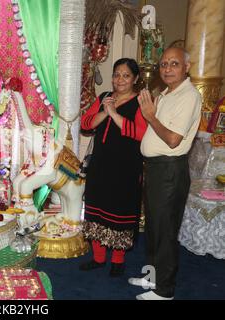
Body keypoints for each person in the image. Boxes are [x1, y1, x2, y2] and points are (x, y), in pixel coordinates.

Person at [130, 47, 201, 300]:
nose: (167, 69)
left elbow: (172, 139)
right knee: (153, 229)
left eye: (174, 64)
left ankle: (164, 290)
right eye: (163, 64)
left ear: (186, 67)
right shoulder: (168, 93)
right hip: (157, 169)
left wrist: (151, 116)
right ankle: (151, 278)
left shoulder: (189, 96)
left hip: (170, 171)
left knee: (165, 232)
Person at [80, 58, 147, 277]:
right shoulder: (103, 98)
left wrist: (114, 114)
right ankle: (98, 258)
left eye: (126, 75)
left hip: (126, 168)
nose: (120, 79)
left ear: (135, 79)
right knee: (96, 209)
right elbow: (86, 124)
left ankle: (118, 259)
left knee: (120, 212)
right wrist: (105, 111)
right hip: (100, 165)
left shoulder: (140, 102)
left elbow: (140, 133)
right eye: (117, 74)